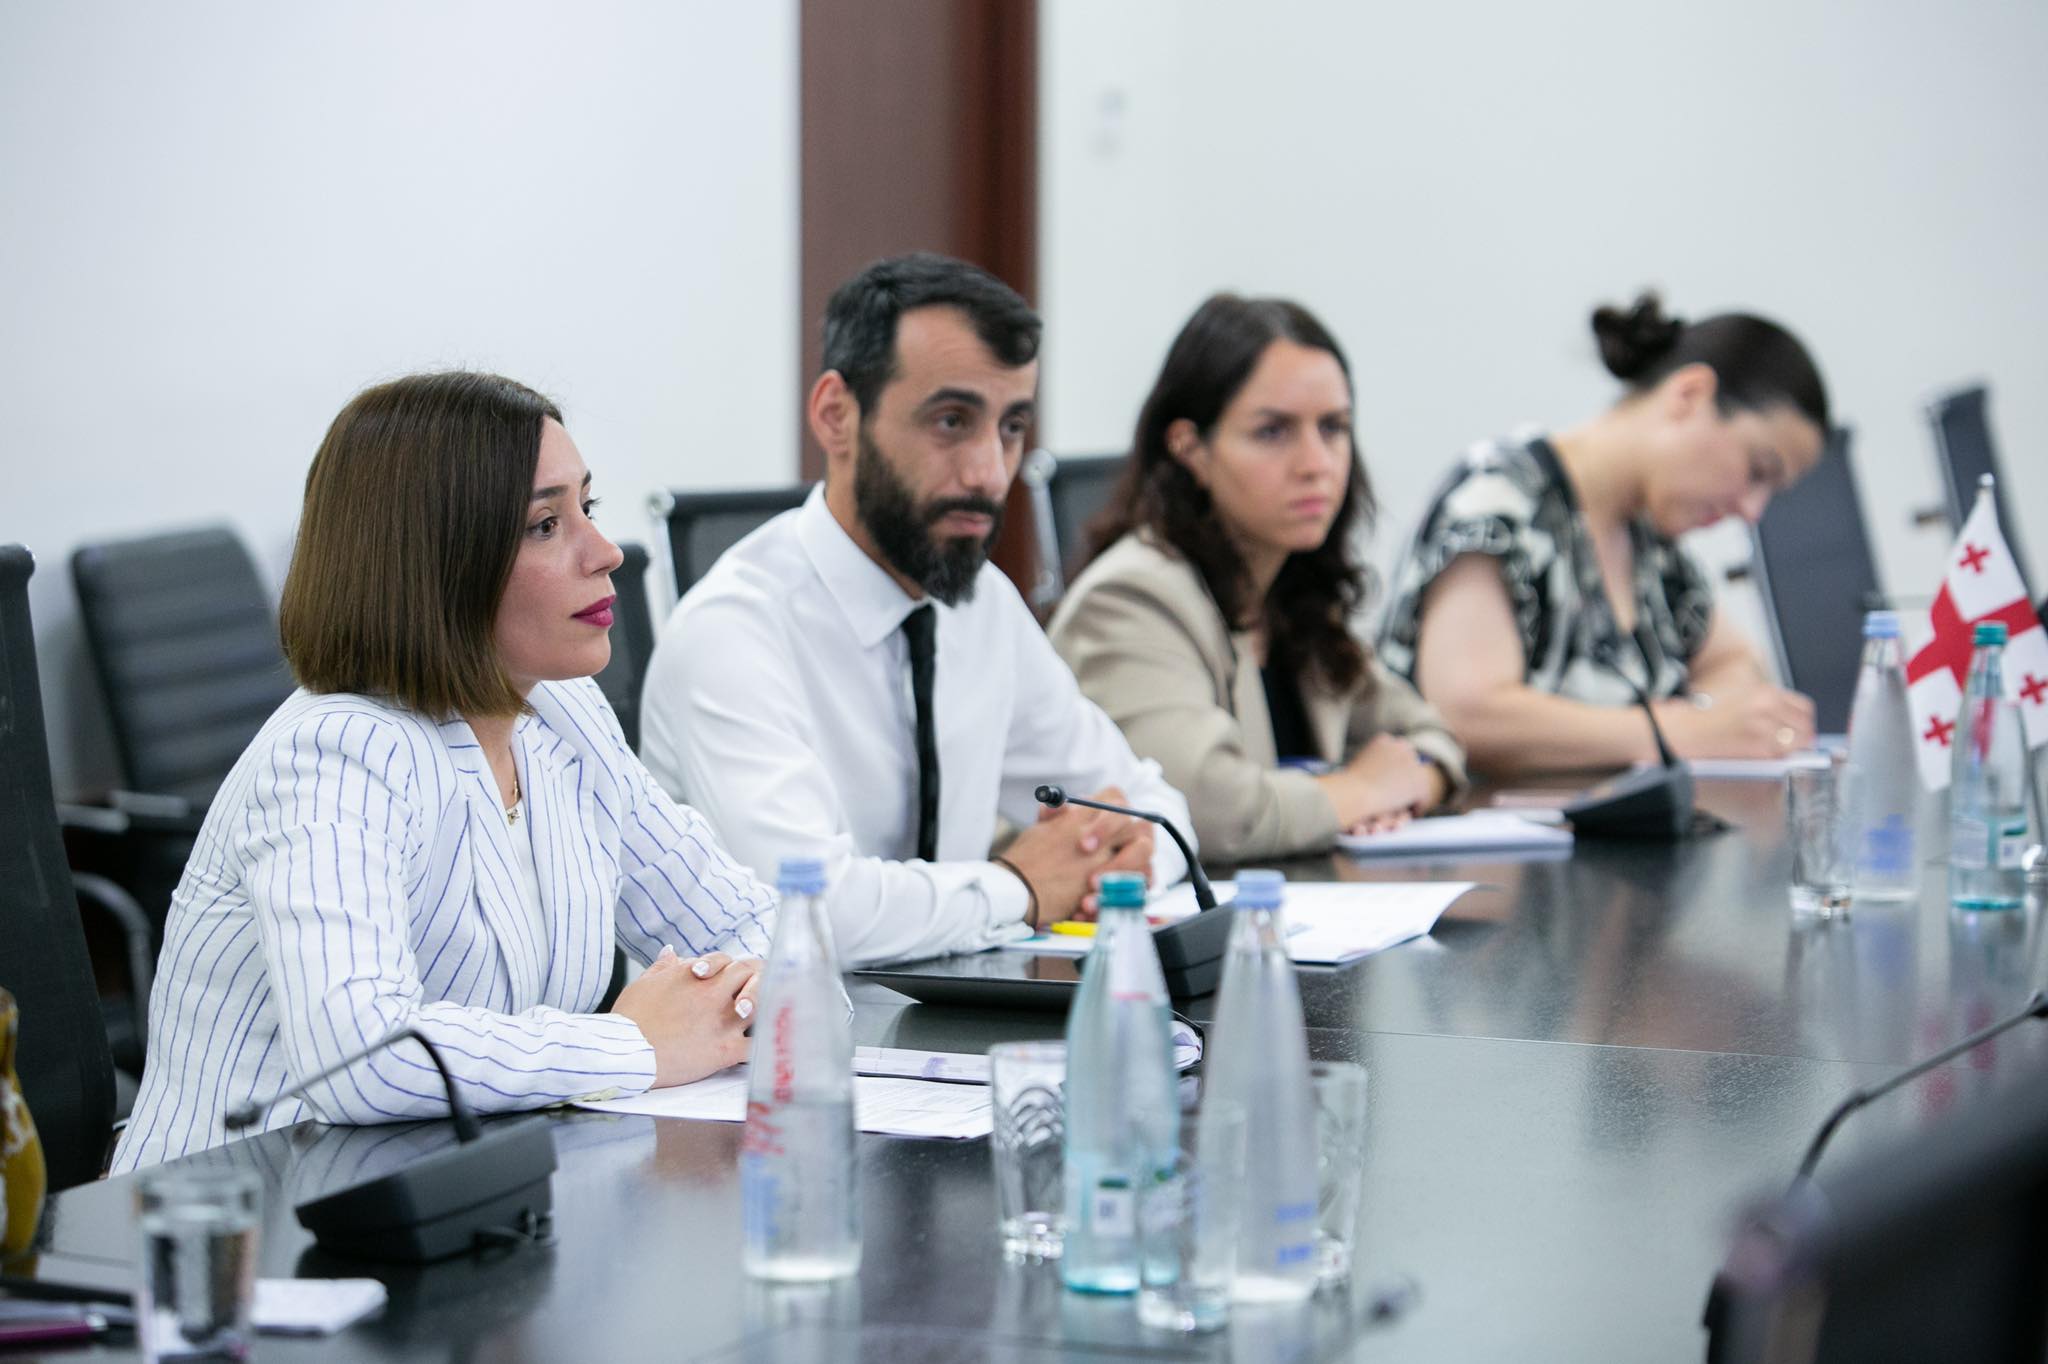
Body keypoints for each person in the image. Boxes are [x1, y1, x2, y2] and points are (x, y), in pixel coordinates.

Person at [112, 373, 774, 1172]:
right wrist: (631, 1043)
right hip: (252, 1216)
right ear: (432, 565)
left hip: (462, 1191)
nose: (606, 552)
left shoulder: (565, 714)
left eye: (587, 508)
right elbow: (363, 1053)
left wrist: (743, 997)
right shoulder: (335, 753)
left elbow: (746, 925)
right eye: (545, 525)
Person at [640, 253, 1192, 966]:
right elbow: (805, 910)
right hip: (771, 1028)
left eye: (1012, 428)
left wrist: (1126, 858)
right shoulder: (732, 631)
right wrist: (1022, 886)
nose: (989, 472)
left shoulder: (980, 603)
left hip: (951, 1020)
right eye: (951, 421)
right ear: (837, 416)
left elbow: (1151, 808)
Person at [1047, 295, 1466, 862]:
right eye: (1273, 432)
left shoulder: (1293, 593)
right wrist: (1361, 791)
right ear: (1190, 449)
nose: (1317, 463)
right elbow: (1205, 812)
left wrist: (1414, 782)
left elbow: (1432, 734)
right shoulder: (1131, 598)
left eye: (1334, 428)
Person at [1377, 293, 1829, 776]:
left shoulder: (1651, 545)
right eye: (1758, 469)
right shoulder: (1499, 502)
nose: (1752, 510)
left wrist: (1712, 717)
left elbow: (1739, 663)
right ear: (1690, 395)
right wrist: (1683, 730)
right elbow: (1466, 713)